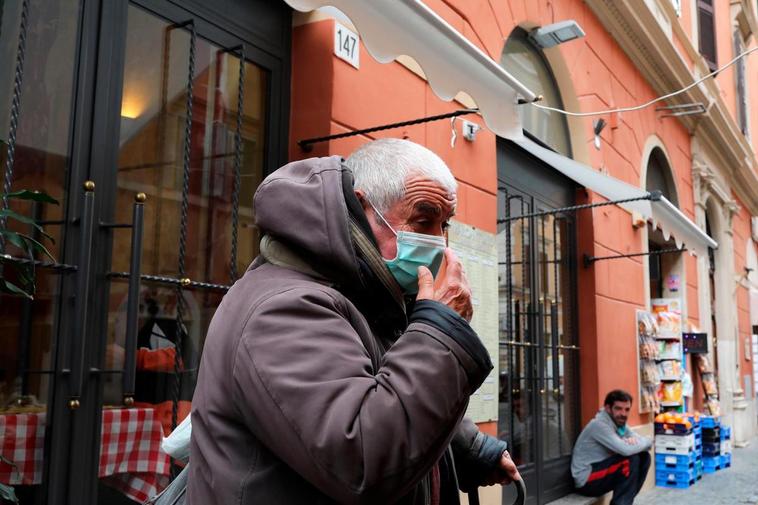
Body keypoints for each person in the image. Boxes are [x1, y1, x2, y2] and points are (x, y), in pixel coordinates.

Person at [188, 139, 521, 504]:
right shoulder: (284, 308)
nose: (440, 244)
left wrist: (466, 447)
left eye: (444, 225)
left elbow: (384, 390)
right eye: (423, 221)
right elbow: (362, 458)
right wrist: (441, 334)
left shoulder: (366, 295)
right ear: (361, 208)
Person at [571, 390, 652, 505]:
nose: (623, 414)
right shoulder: (599, 425)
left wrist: (640, 442)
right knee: (629, 460)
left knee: (644, 457)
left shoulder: (618, 423)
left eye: (627, 409)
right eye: (618, 408)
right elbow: (626, 450)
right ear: (608, 408)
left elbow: (640, 442)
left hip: (602, 471)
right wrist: (646, 441)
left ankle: (625, 501)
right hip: (586, 479)